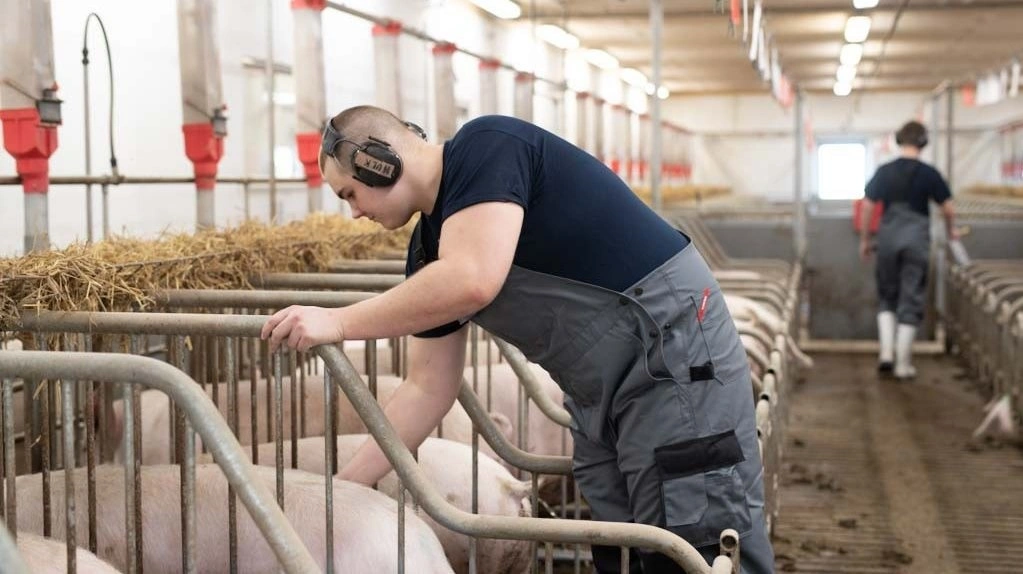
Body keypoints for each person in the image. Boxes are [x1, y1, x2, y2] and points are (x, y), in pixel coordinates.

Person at [261, 105, 774, 573]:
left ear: (378, 162)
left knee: (694, 539)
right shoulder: (429, 250)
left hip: (674, 361)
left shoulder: (488, 146)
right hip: (602, 394)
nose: (353, 212)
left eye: (349, 192)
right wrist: (342, 491)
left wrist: (339, 321)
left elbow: (474, 278)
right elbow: (426, 387)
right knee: (624, 542)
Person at [859, 120, 956, 379]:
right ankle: (903, 364)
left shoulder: (885, 171)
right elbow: (948, 207)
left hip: (888, 237)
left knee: (887, 294)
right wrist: (951, 230)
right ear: (923, 143)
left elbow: (867, 205)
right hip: (916, 239)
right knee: (911, 296)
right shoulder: (929, 173)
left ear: (899, 140)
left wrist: (866, 239)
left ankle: (886, 354)